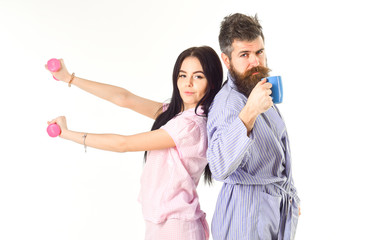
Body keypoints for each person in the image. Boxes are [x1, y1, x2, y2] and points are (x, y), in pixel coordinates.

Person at [46, 46, 223, 240]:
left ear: (212, 83)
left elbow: (123, 144)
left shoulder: (190, 126)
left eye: (198, 77)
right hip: (162, 222)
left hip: (177, 226)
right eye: (182, 75)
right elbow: (124, 98)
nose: (188, 83)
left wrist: (67, 133)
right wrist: (69, 78)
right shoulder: (177, 114)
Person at [206, 13, 300, 239]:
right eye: (244, 55)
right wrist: (250, 112)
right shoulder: (228, 104)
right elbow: (218, 166)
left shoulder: (257, 88)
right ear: (227, 60)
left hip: (272, 212)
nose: (255, 61)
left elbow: (277, 154)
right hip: (244, 216)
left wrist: (292, 197)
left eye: (259, 52)